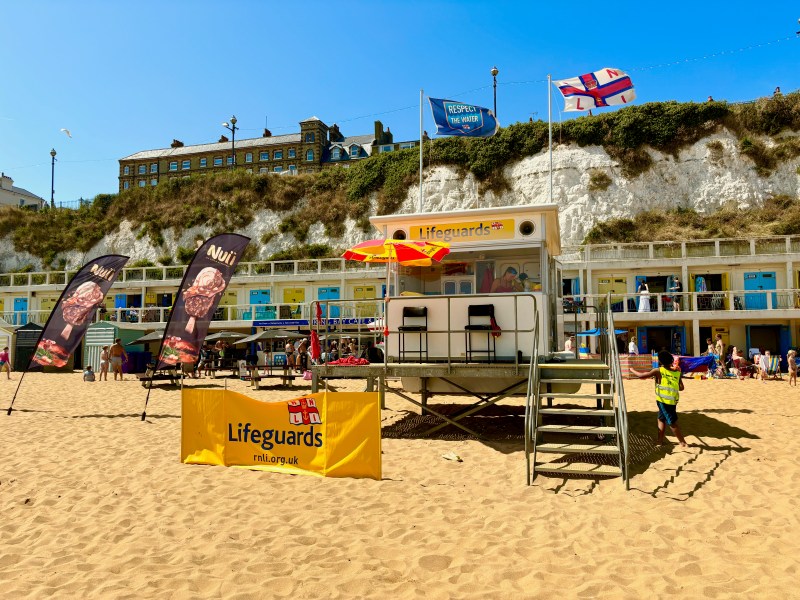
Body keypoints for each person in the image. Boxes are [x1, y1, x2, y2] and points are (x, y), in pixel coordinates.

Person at [631, 350, 688, 448]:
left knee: (671, 422)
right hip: (672, 401)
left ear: (660, 361)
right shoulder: (677, 372)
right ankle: (660, 441)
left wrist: (632, 369)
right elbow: (681, 388)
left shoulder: (658, 371)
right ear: (671, 360)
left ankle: (683, 442)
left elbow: (641, 376)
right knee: (661, 419)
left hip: (663, 401)